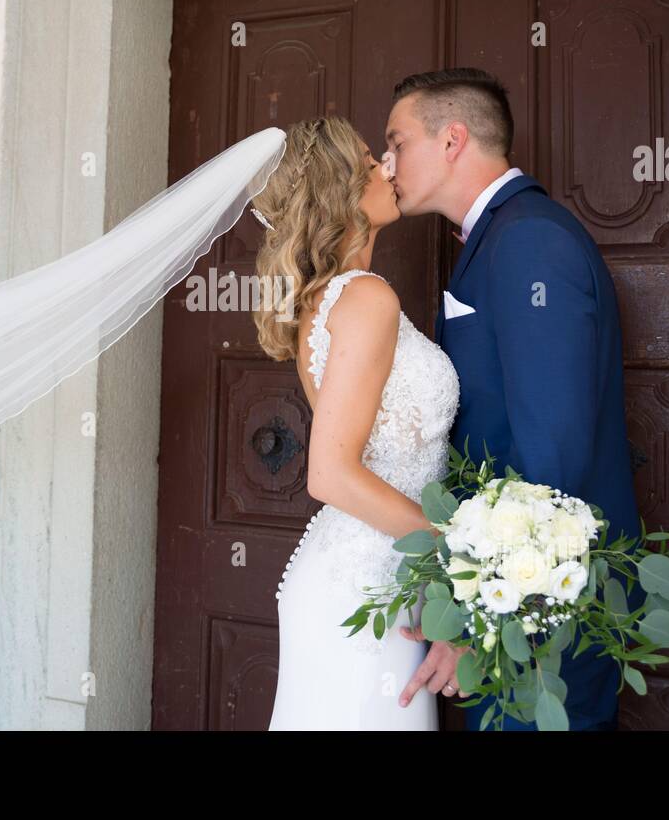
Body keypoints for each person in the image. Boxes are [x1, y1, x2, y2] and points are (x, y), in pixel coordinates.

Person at [383, 67, 642, 731]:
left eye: (397, 142)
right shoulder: (500, 237)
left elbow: (553, 451)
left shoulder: (528, 240)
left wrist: (483, 611)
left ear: (452, 140)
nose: (387, 163)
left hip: (545, 605)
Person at [253, 115, 460, 730]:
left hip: (370, 578)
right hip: (365, 593)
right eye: (372, 161)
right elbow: (331, 474)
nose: (387, 169)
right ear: (340, 189)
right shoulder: (366, 297)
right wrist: (456, 553)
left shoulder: (327, 298)